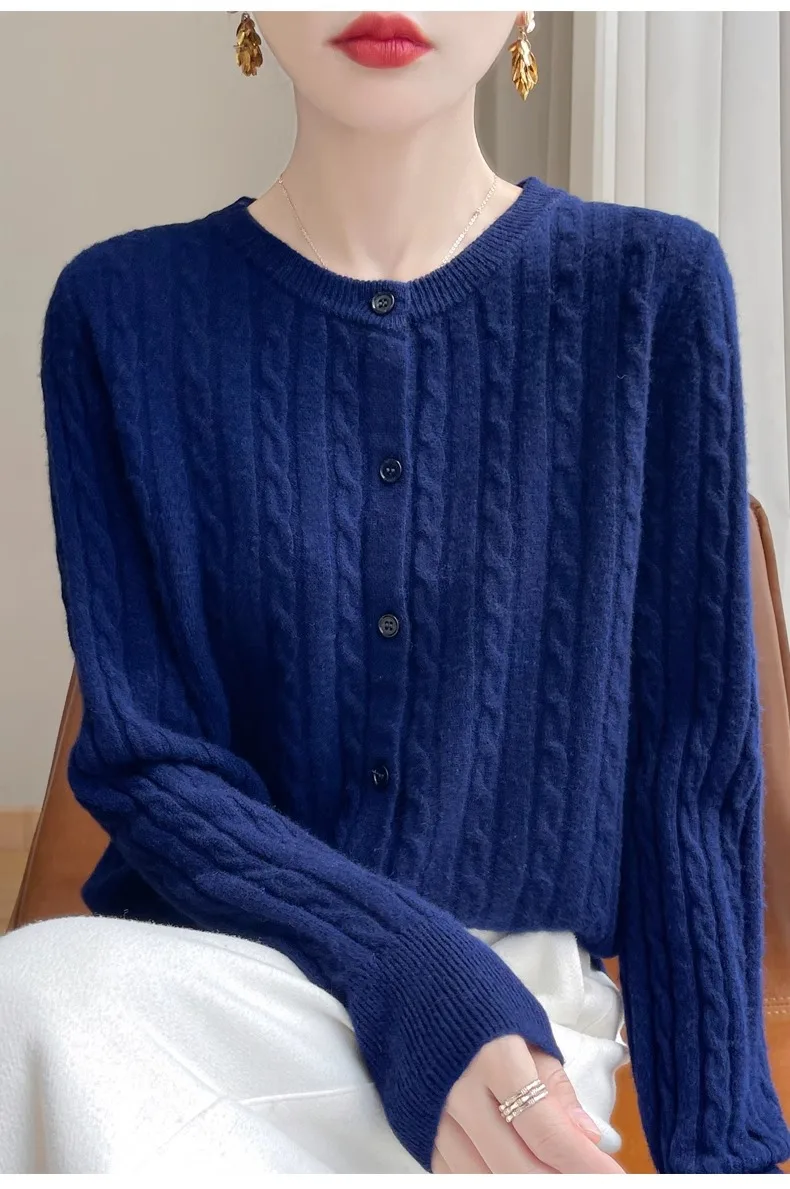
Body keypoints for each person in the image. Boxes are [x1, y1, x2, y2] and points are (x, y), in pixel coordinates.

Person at [1, 8, 789, 1176]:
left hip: (518, 1017)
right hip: (200, 983)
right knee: (25, 1003)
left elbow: (687, 776)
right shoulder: (118, 312)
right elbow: (147, 762)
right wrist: (403, 965)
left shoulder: (650, 291)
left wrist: (724, 1159)